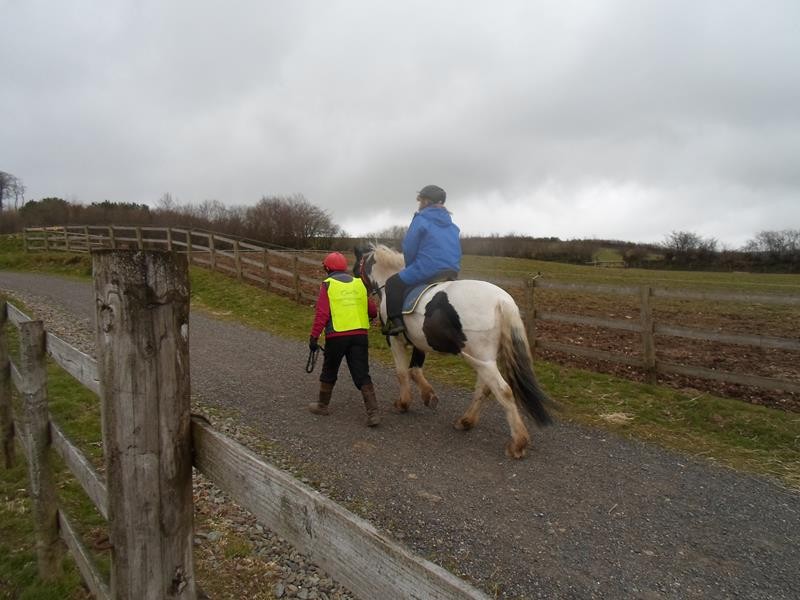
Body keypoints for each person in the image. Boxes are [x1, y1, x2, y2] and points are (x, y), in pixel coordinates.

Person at [308, 251, 380, 426]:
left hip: (336, 335)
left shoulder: (328, 284)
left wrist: (314, 337)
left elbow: (322, 314)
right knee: (362, 373)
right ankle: (373, 413)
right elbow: (371, 309)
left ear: (327, 268)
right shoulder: (358, 283)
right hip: (360, 335)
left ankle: (322, 406)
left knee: (330, 370)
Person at [383, 184, 461, 335]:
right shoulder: (453, 226)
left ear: (426, 202)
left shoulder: (420, 219)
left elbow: (409, 248)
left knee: (392, 283)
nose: (419, 204)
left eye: (420, 201)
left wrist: (411, 267)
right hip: (452, 270)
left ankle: (396, 323)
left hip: (426, 268)